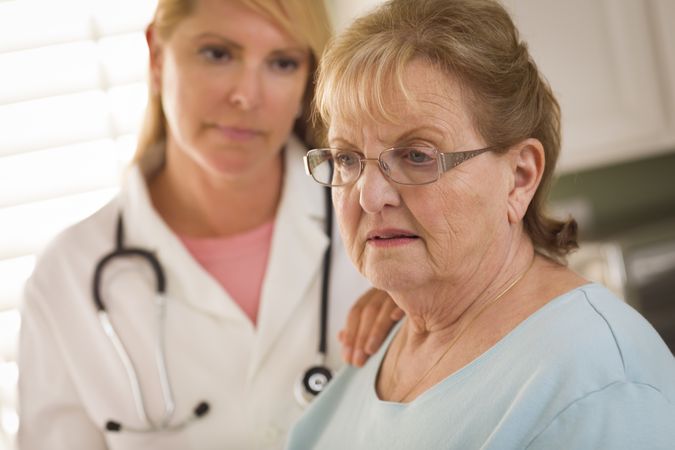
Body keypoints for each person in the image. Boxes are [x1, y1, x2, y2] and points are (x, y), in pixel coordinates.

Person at [287, 0, 675, 448]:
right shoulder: (386, 336)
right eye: (347, 158)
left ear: (519, 177)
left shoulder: (600, 388)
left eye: (417, 156)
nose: (370, 197)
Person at [17, 1, 402, 449]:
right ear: (157, 55)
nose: (246, 95)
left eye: (281, 62)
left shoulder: (386, 229)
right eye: (218, 54)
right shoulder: (68, 276)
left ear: (307, 81)